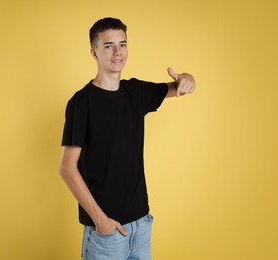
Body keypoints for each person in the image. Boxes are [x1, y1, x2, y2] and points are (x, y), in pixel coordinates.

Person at [59, 17, 196, 260]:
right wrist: (101, 221)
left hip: (142, 224)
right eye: (108, 45)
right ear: (94, 52)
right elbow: (67, 168)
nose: (117, 52)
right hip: (105, 233)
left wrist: (188, 78)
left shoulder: (136, 92)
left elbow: (177, 86)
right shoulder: (82, 103)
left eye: (122, 44)